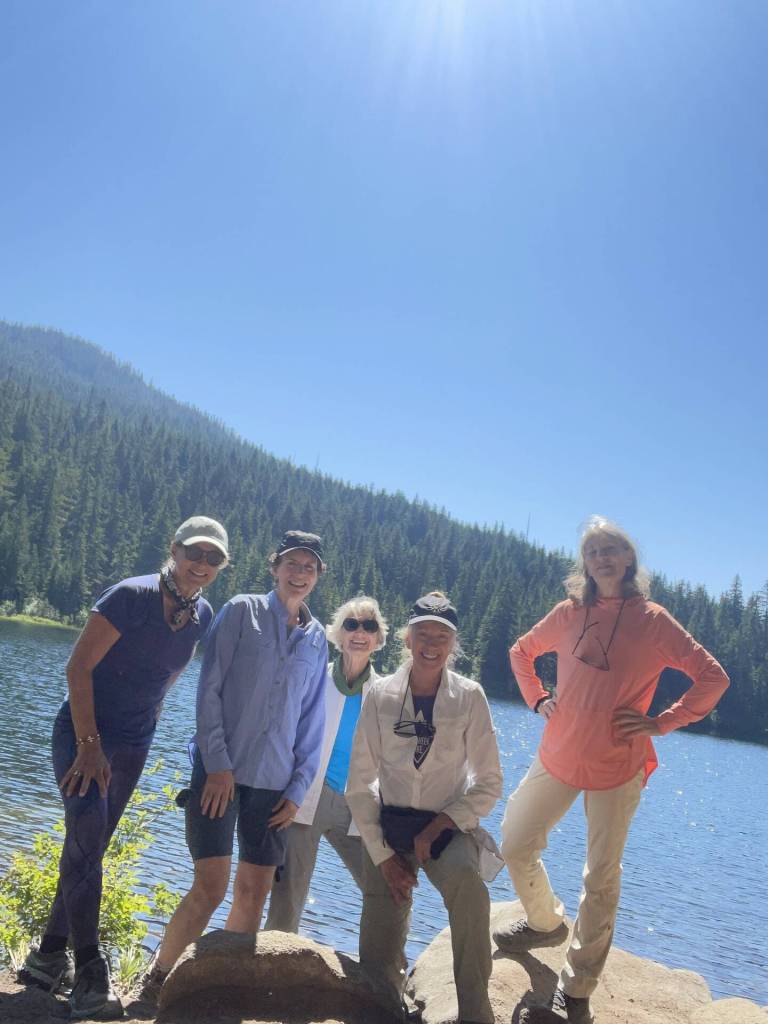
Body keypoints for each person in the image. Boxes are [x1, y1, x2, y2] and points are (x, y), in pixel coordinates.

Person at [494, 516, 730, 1024]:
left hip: (618, 764)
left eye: (610, 549)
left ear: (628, 560)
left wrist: (662, 722)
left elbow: (713, 677)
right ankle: (544, 921)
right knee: (514, 841)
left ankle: (577, 987)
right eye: (593, 551)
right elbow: (521, 652)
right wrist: (537, 698)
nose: (601, 557)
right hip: (559, 752)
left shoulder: (653, 620)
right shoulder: (568, 612)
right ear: (585, 562)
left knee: (600, 876)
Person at [18, 515, 228, 1020]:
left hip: (133, 743)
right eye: (194, 552)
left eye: (213, 557)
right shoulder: (131, 596)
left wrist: (152, 714)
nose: (201, 563)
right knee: (87, 837)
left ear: (221, 565)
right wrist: (89, 745)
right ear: (174, 549)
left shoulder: (200, 614)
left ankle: (48, 957)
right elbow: (78, 667)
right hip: (84, 734)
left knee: (91, 845)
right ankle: (91, 972)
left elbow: (172, 670)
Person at [138, 530, 329, 1001]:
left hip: (275, 784)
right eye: (292, 563)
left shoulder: (317, 638)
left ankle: (212, 988)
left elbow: (313, 722)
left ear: (317, 576)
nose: (299, 573)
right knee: (210, 886)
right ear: (274, 567)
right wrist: (218, 764)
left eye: (309, 567)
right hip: (219, 773)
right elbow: (209, 690)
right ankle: (158, 980)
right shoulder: (242, 611)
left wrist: (298, 789)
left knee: (254, 892)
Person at [347, 592, 503, 1024]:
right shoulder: (380, 695)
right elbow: (359, 784)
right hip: (388, 827)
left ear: (454, 644)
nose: (431, 645)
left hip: (446, 827)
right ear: (407, 638)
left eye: (441, 636)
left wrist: (440, 825)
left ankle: (475, 1014)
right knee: (378, 946)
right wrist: (382, 856)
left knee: (469, 890)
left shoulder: (469, 697)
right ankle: (383, 1008)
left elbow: (490, 783)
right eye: (423, 634)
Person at [265, 595, 388, 933]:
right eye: (351, 624)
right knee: (289, 893)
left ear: (378, 638)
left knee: (385, 886)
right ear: (338, 633)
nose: (359, 633)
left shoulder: (387, 693)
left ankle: (389, 962)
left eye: (369, 626)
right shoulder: (315, 677)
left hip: (359, 805)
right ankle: (275, 956)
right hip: (306, 797)